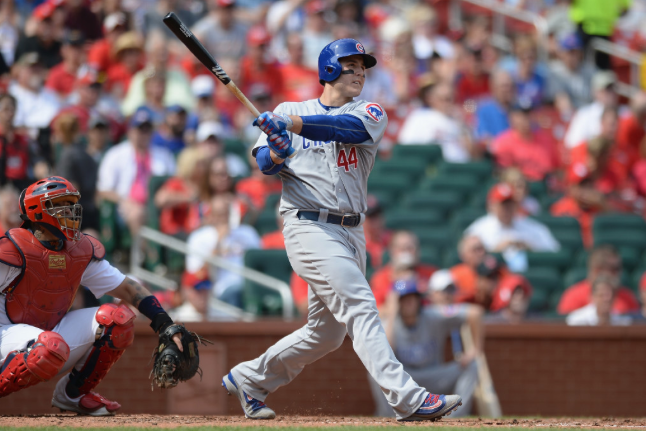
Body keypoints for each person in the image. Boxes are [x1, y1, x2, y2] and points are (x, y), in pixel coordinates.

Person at [222, 39, 462, 422]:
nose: (361, 72)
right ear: (330, 69)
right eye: (352, 65)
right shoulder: (289, 109)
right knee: (361, 303)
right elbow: (265, 164)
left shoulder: (369, 111)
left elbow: (343, 128)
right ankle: (407, 397)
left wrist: (292, 127)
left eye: (364, 66)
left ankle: (250, 379)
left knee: (326, 334)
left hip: (351, 233)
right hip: (307, 225)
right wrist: (280, 149)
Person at [0, 176, 186, 415]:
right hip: (5, 333)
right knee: (48, 346)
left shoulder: (79, 250)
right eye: (62, 204)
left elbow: (128, 288)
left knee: (117, 319)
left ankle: (72, 395)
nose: (71, 211)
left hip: (47, 338)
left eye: (71, 204)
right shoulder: (12, 249)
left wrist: (165, 325)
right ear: (38, 210)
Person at [370, 279, 481, 418]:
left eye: (412, 297)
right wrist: (391, 312)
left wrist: (475, 349)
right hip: (405, 382)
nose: (409, 302)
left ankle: (453, 420)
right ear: (397, 302)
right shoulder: (390, 323)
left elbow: (475, 313)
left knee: (472, 365)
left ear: (419, 300)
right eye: (403, 298)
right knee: (377, 371)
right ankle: (391, 419)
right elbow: (385, 354)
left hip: (433, 378)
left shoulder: (433, 315)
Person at [97, 107, 176, 236]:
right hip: (124, 207)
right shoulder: (116, 154)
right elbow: (103, 189)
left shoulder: (164, 155)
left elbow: (174, 182)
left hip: (158, 206)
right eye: (140, 129)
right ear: (130, 131)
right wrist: (125, 201)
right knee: (137, 214)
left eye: (147, 129)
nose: (144, 133)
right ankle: (143, 255)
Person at [184, 194, 260, 309]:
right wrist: (219, 242)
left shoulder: (247, 232)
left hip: (251, 287)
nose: (224, 218)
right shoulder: (199, 237)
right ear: (210, 215)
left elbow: (261, 263)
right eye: (219, 214)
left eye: (227, 213)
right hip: (221, 292)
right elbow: (196, 276)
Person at [464, 183, 560, 253]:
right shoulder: (479, 229)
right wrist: (495, 250)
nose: (507, 208)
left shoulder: (533, 227)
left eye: (510, 204)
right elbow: (466, 253)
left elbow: (554, 251)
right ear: (491, 206)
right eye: (503, 204)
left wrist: (530, 248)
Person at [398, 81, 473, 163]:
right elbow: (406, 146)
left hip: (459, 168)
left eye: (452, 98)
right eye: (445, 99)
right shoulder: (420, 117)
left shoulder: (458, 122)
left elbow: (474, 155)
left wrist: (462, 125)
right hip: (433, 168)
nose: (449, 103)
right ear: (431, 98)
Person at [557, 245, 640, 314]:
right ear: (597, 270)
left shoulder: (627, 297)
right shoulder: (573, 297)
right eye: (613, 269)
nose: (619, 273)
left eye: (619, 268)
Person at [491, 103, 560, 182]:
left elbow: (555, 168)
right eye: (521, 115)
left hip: (546, 186)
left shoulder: (545, 139)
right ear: (511, 118)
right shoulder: (503, 142)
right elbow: (502, 173)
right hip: (522, 187)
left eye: (528, 114)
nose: (526, 119)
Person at [370, 231, 436, 309]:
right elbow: (376, 311)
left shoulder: (431, 274)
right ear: (392, 251)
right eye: (401, 248)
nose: (405, 252)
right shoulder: (380, 278)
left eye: (410, 248)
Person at [564, 71, 618, 149]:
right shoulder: (584, 114)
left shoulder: (625, 112)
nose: (611, 93)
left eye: (613, 88)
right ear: (596, 92)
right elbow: (571, 142)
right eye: (606, 89)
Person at [566, 276, 633, 326]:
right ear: (593, 297)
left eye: (610, 295)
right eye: (601, 295)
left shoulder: (623, 322)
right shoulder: (577, 321)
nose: (606, 299)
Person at [474, 69, 516, 146]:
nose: (508, 89)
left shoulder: (519, 109)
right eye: (504, 86)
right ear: (494, 88)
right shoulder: (484, 110)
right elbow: (484, 137)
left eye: (511, 85)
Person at [44, 31, 86, 101]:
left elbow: (103, 81)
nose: (75, 52)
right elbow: (49, 97)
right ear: (64, 50)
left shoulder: (89, 70)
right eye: (72, 48)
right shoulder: (55, 73)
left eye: (79, 48)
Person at [450, 235, 487, 303]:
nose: (481, 253)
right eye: (475, 249)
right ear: (463, 255)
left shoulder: (497, 272)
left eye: (482, 249)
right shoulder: (454, 275)